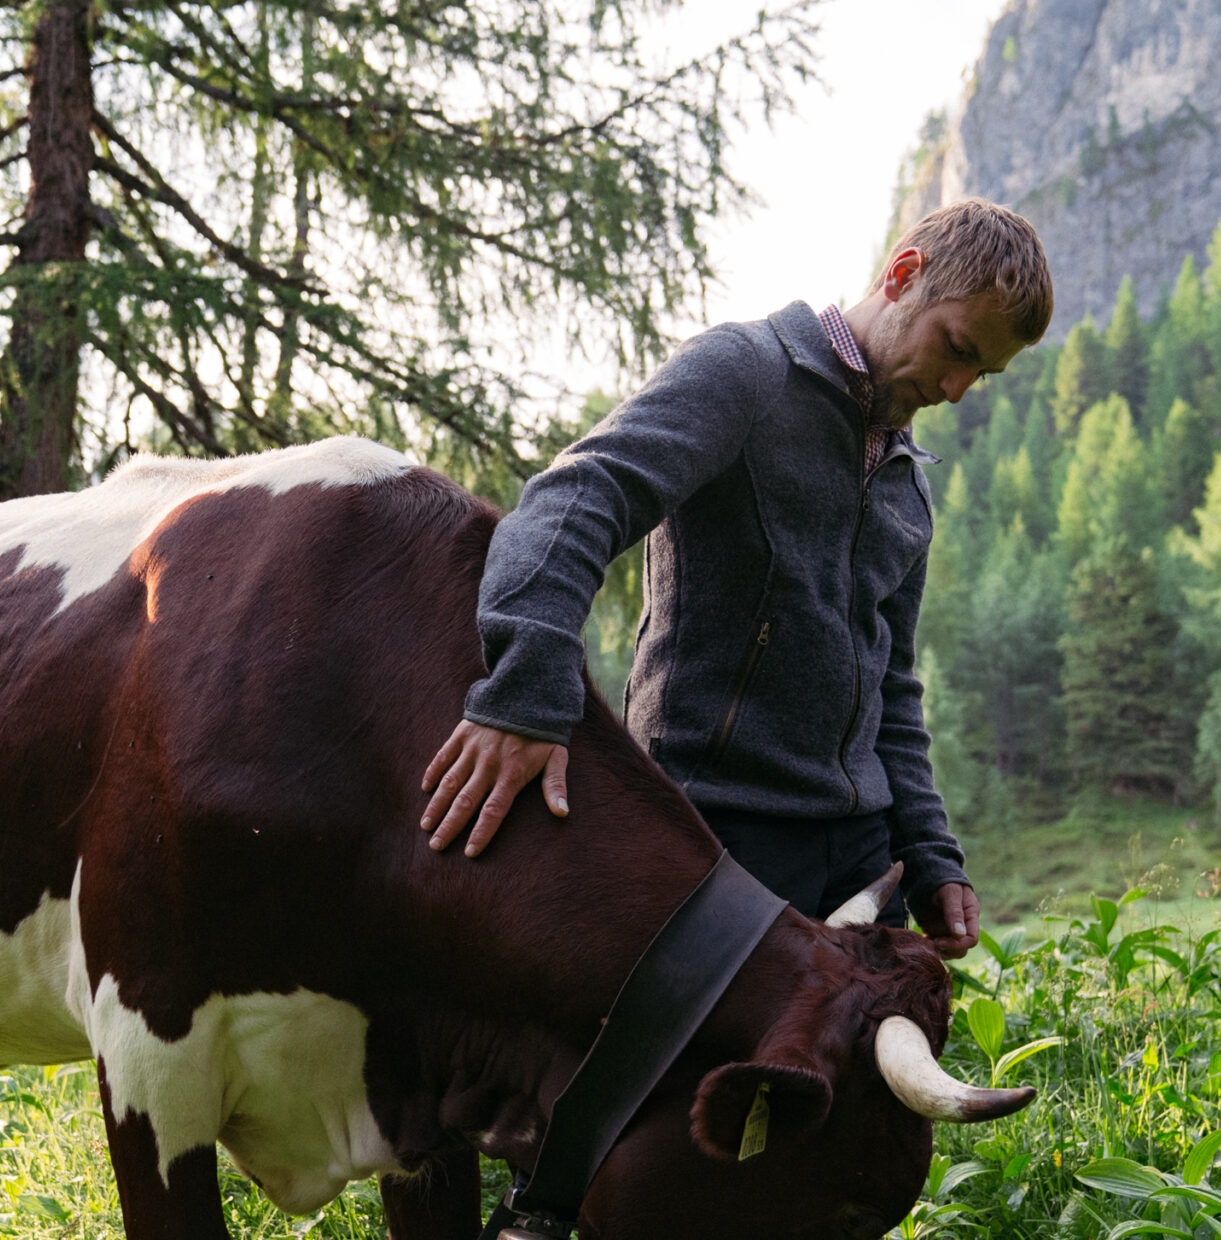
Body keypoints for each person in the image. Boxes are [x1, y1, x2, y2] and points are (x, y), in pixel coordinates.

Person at [418, 199, 1052, 958]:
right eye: (955, 347)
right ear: (903, 273)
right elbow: (577, 497)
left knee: (878, 1077)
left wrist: (931, 857)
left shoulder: (908, 487)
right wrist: (527, 697)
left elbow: (892, 691)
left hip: (862, 859)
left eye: (979, 375)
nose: (955, 388)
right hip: (712, 835)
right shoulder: (745, 373)